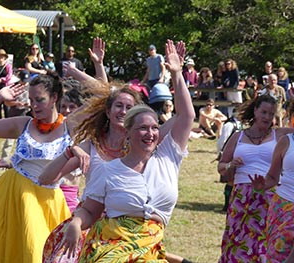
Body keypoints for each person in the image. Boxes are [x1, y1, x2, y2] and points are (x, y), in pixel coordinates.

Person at [59, 39, 194, 262]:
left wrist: (177, 74)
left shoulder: (168, 157)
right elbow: (91, 211)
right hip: (112, 249)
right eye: (142, 128)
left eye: (154, 128)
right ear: (128, 133)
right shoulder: (108, 170)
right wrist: (75, 222)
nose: (150, 133)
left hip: (149, 249)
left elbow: (186, 116)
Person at [0, 75, 72, 263]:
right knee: (19, 249)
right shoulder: (24, 124)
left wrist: (97, 66)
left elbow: (102, 103)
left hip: (48, 200)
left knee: (41, 253)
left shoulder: (69, 125)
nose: (34, 105)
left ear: (54, 98)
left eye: (40, 99)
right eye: (31, 100)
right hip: (13, 196)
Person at [217, 94, 292, 263]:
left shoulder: (279, 135)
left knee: (265, 241)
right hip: (242, 197)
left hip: (269, 194)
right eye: (264, 112)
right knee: (237, 238)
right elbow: (221, 166)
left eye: (271, 114)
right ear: (255, 110)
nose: (267, 117)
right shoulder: (238, 136)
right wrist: (230, 166)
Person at [249, 92, 294, 262]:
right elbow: (273, 178)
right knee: (281, 257)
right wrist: (262, 185)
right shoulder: (286, 142)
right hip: (287, 208)